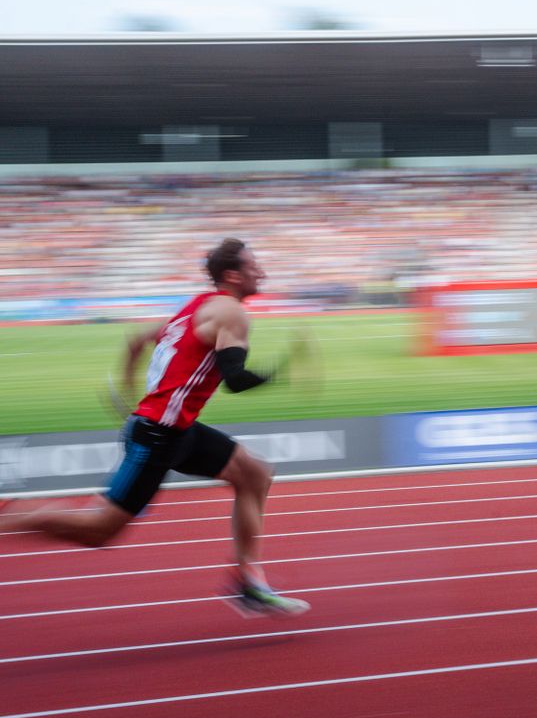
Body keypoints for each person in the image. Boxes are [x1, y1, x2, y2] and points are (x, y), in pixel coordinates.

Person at [7, 238, 311, 617]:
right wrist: (280, 372)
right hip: (157, 435)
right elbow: (235, 379)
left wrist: (128, 387)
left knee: (254, 474)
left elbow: (137, 341)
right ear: (232, 275)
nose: (261, 271)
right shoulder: (231, 312)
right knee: (100, 530)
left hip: (175, 429)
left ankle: (247, 581)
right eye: (253, 266)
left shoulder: (198, 305)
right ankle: (12, 518)